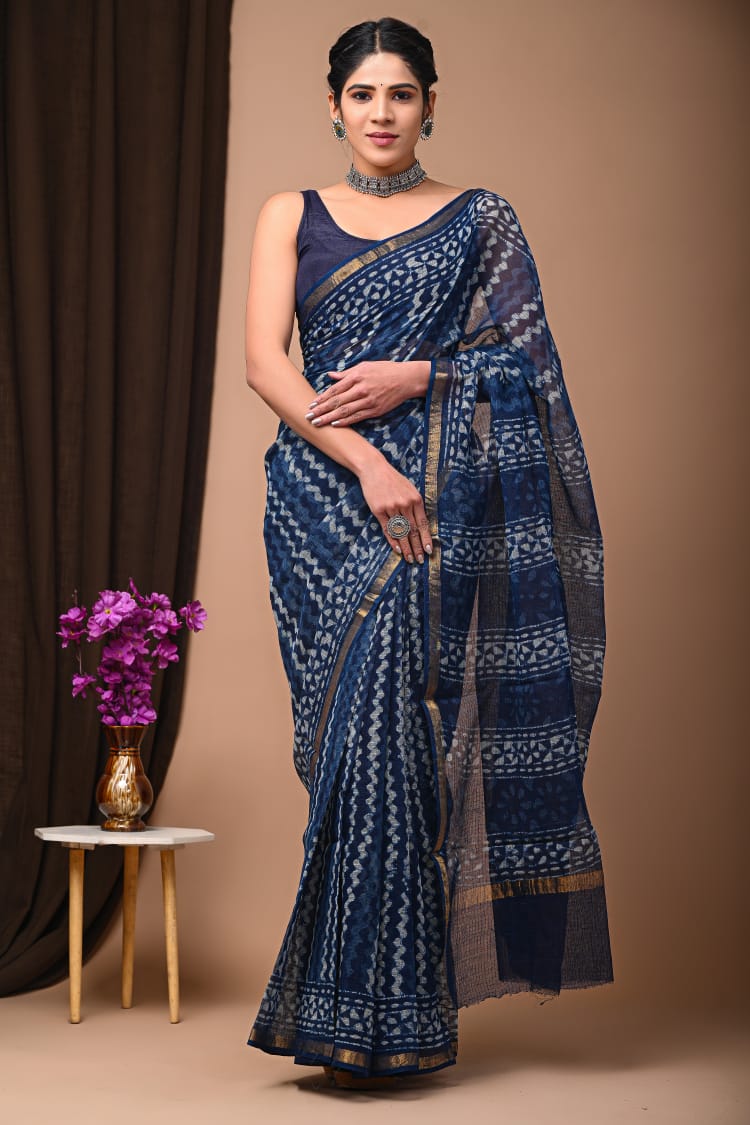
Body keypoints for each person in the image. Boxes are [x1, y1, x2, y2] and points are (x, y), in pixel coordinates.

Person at [244, 16, 614, 1090]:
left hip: (436, 505)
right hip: (323, 499)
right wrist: (367, 462)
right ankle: (349, 1012)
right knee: (341, 750)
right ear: (333, 106)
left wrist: (424, 378)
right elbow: (266, 364)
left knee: (396, 745)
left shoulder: (479, 218)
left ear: (431, 105)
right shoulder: (290, 213)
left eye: (401, 94)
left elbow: (532, 373)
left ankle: (380, 1022)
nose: (381, 113)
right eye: (362, 94)